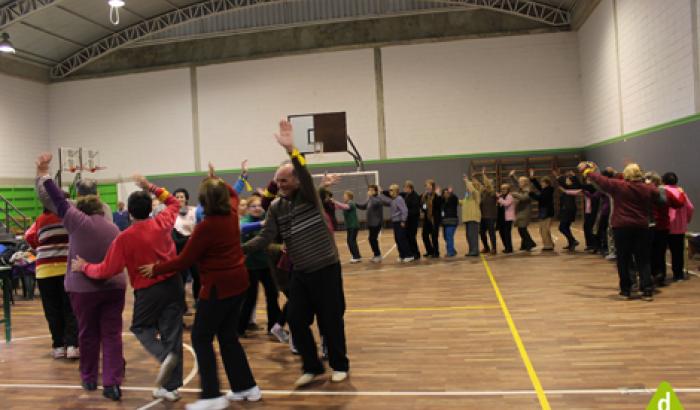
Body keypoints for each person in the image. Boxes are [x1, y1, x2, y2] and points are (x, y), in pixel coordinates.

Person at [140, 163, 261, 409]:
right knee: (227, 337)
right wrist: (217, 180)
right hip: (239, 283)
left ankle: (212, 396)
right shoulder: (233, 213)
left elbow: (185, 260)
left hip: (218, 288)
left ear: (206, 201)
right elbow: (235, 194)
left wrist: (156, 268)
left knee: (201, 337)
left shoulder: (206, 227)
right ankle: (246, 386)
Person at [242, 119, 349, 388]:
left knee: (331, 320)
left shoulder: (309, 196)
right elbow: (265, 237)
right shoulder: (276, 207)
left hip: (326, 268)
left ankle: (339, 364)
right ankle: (311, 367)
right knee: (296, 320)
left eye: (285, 180)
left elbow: (302, 170)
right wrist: (237, 250)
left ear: (296, 181)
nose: (280, 185)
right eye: (277, 181)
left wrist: (291, 150)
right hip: (300, 272)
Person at [72, 175, 185, 402]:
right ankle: (171, 387)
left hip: (148, 290)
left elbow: (106, 270)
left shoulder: (125, 238)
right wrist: (150, 186)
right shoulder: (163, 221)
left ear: (129, 213)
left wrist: (84, 267)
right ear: (149, 208)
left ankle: (164, 356)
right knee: (172, 333)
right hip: (174, 284)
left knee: (141, 327)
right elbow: (174, 202)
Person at [35, 153, 126, 401]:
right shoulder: (113, 226)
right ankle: (112, 384)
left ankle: (88, 379)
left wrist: (43, 172)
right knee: (111, 335)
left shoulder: (76, 221)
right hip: (114, 286)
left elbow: (55, 198)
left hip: (83, 289)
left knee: (87, 333)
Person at [580, 162, 665, 301]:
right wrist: (649, 183)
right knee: (643, 260)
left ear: (626, 175)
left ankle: (626, 291)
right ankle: (647, 290)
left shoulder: (619, 186)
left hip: (622, 227)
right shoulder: (647, 188)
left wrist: (587, 171)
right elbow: (660, 197)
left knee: (623, 259)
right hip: (641, 227)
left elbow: (601, 180)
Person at [24, 208, 79, 360]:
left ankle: (58, 346)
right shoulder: (69, 217)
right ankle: (73, 345)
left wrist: (40, 246)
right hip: (66, 268)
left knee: (52, 309)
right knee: (70, 307)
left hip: (45, 269)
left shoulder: (40, 219)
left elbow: (29, 236)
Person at [237, 195, 287, 343]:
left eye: (259, 205)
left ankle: (273, 325)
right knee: (249, 299)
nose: (257, 208)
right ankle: (239, 329)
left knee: (272, 294)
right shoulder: (245, 222)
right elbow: (246, 233)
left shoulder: (267, 217)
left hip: (265, 265)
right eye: (253, 206)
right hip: (250, 267)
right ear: (247, 209)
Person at [171, 188, 200, 315]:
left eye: (182, 196)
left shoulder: (194, 211)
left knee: (198, 277)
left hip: (194, 249)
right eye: (177, 197)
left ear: (186, 198)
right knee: (180, 281)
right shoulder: (170, 213)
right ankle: (182, 307)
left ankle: (198, 303)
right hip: (180, 250)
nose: (179, 199)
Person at [663, 172, 694, 282]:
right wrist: (686, 220)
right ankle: (678, 275)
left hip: (665, 226)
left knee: (660, 251)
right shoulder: (682, 192)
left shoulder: (663, 191)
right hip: (680, 228)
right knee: (678, 252)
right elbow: (690, 207)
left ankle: (661, 276)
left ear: (663, 181)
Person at [381, 184, 413, 262]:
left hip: (400, 222)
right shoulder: (393, 199)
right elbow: (387, 203)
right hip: (395, 222)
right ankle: (402, 255)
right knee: (397, 239)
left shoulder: (399, 199)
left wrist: (403, 221)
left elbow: (404, 210)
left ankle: (409, 255)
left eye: (391, 190)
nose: (389, 191)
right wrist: (379, 197)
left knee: (402, 239)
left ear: (395, 191)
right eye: (389, 190)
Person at [508, 171, 536, 252]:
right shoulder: (522, 188)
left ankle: (530, 243)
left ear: (525, 183)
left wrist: (514, 194)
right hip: (520, 211)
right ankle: (524, 245)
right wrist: (512, 176)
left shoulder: (528, 190)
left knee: (522, 229)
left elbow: (524, 198)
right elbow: (516, 182)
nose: (519, 183)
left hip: (525, 212)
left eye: (521, 182)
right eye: (520, 181)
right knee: (521, 229)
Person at [356, 184, 384, 263]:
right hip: (371, 223)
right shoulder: (370, 199)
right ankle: (376, 255)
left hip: (376, 223)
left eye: (371, 190)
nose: (369, 191)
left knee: (372, 239)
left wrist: (370, 196)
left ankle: (378, 255)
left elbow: (376, 203)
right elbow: (363, 206)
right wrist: (355, 204)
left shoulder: (377, 198)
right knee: (372, 239)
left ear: (375, 191)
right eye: (369, 190)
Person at [528, 169, 555, 251]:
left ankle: (548, 246)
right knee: (544, 229)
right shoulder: (546, 189)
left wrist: (531, 194)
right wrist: (532, 178)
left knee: (544, 230)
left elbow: (541, 199)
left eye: (542, 183)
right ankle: (550, 244)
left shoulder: (548, 190)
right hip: (544, 212)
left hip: (547, 213)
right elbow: (538, 186)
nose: (541, 184)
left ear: (547, 183)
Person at [333, 191, 362, 263]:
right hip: (350, 226)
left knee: (351, 241)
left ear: (349, 197)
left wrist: (335, 201)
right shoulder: (346, 204)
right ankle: (356, 255)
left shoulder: (351, 203)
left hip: (353, 225)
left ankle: (356, 257)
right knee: (350, 241)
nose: (343, 197)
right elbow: (338, 207)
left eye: (345, 196)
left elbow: (345, 206)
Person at [555, 170, 581, 251]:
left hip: (568, 209)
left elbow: (563, 181)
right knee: (566, 226)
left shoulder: (571, 188)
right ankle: (571, 243)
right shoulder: (568, 187)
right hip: (568, 209)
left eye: (568, 179)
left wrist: (573, 176)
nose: (567, 179)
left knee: (562, 227)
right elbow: (561, 181)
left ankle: (573, 240)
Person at [477, 170, 498, 254]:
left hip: (491, 216)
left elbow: (488, 185)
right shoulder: (482, 193)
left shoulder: (493, 193)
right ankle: (486, 247)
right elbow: (478, 186)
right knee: (481, 232)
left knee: (491, 233)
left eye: (487, 184)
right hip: (483, 217)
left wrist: (483, 175)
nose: (485, 186)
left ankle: (494, 248)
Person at [420, 180, 442, 258]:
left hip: (434, 219)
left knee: (434, 237)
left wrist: (439, 196)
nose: (427, 187)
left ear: (432, 186)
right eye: (426, 186)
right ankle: (430, 251)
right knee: (424, 235)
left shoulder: (436, 195)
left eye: (429, 185)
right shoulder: (424, 195)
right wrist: (423, 210)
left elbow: (439, 206)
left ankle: (436, 252)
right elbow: (422, 205)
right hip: (427, 219)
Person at [460, 177, 481, 257]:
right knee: (469, 235)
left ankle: (475, 251)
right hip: (467, 218)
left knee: (473, 235)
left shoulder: (476, 194)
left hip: (473, 218)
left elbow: (472, 190)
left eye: (468, 187)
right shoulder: (467, 196)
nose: (467, 189)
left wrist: (467, 181)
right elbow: (463, 202)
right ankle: (471, 250)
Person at [401, 181, 422, 259]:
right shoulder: (407, 195)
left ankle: (416, 254)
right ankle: (411, 253)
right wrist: (383, 192)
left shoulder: (415, 197)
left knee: (412, 238)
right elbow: (398, 193)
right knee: (408, 237)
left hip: (413, 221)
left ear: (410, 188)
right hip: (408, 221)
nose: (404, 189)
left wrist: (405, 212)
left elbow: (415, 211)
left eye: (405, 187)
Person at [441, 187, 459, 257]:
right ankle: (452, 250)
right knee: (446, 237)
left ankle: (450, 252)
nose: (446, 194)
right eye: (444, 193)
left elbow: (455, 198)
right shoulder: (442, 201)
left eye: (447, 193)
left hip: (452, 221)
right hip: (445, 222)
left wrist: (452, 193)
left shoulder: (452, 199)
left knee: (449, 236)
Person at [496, 184, 515, 254]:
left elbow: (506, 204)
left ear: (508, 190)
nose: (503, 190)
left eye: (505, 189)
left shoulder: (509, 196)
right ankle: (506, 247)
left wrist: (499, 199)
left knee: (507, 234)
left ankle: (509, 248)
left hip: (508, 218)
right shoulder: (501, 196)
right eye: (502, 189)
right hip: (501, 218)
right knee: (501, 233)